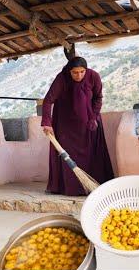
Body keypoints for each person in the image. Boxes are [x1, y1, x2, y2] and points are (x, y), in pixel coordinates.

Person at [41, 56, 114, 196]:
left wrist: (93, 118)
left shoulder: (94, 76)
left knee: (93, 155)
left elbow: (98, 98)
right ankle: (69, 188)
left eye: (82, 72)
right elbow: (48, 100)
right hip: (66, 126)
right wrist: (47, 122)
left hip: (89, 124)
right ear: (69, 71)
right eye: (75, 72)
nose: (79, 75)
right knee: (68, 156)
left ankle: (93, 186)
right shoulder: (61, 79)